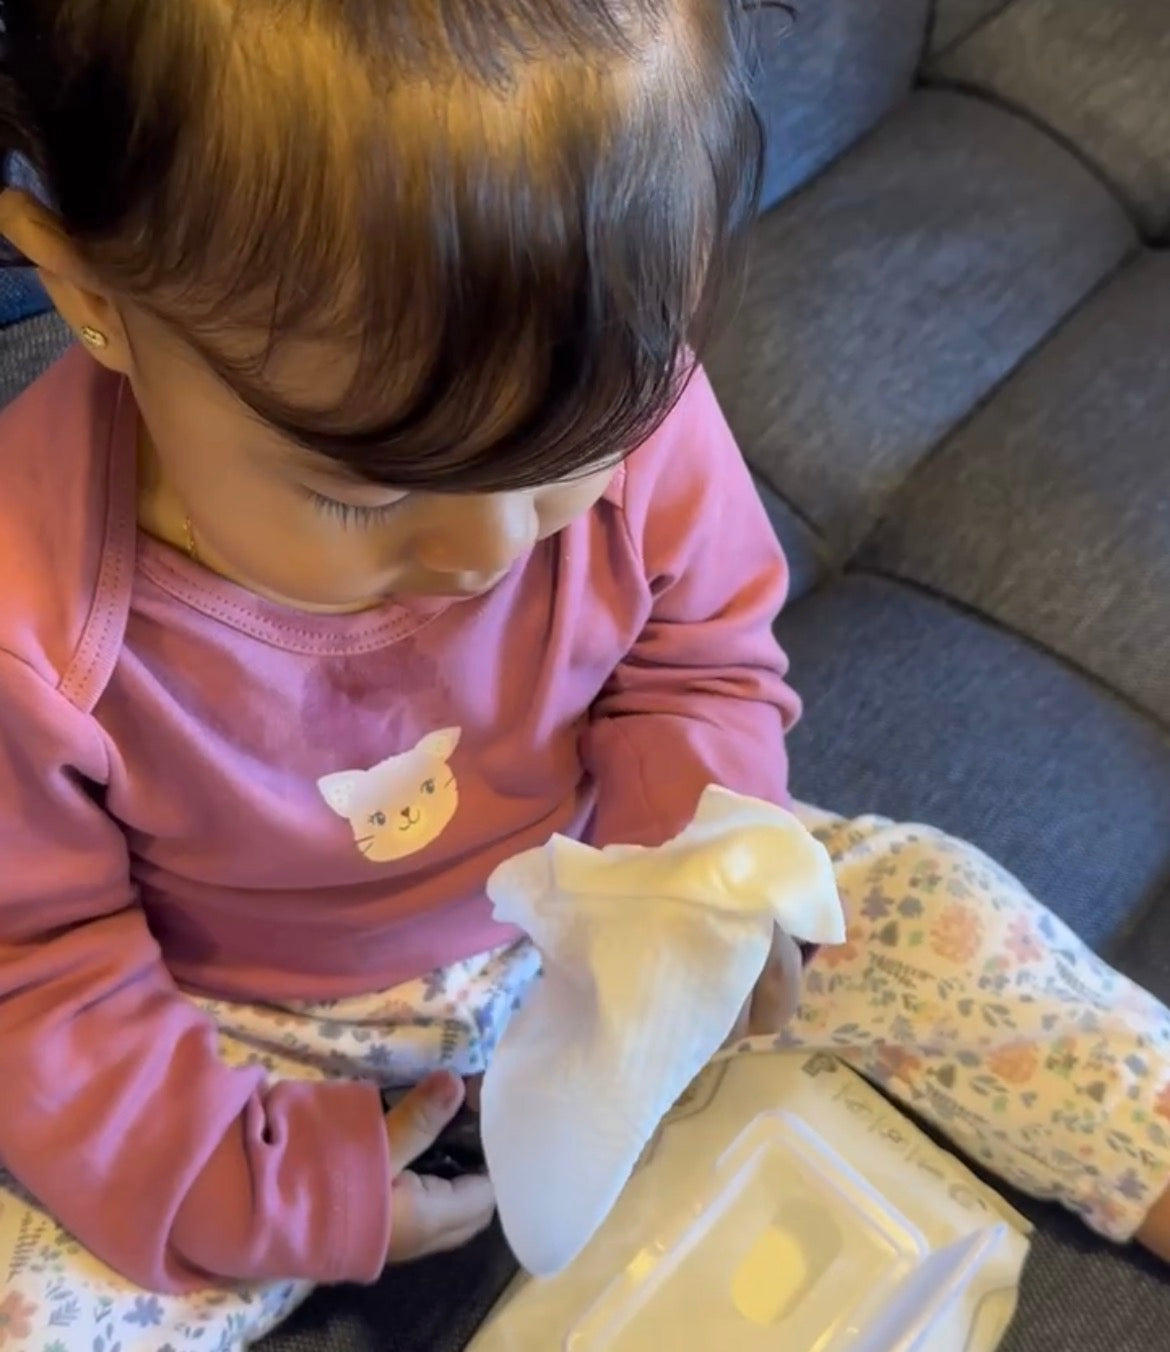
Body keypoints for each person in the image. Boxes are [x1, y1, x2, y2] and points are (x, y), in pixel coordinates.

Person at [0, 0, 1166, 1344]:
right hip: (248, 1025)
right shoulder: (37, 627)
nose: (492, 552)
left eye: (570, 461)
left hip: (597, 887)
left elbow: (698, 657)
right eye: (368, 494)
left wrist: (697, 877)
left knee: (940, 914)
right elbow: (42, 969)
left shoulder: (601, 381)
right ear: (94, 299)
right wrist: (263, 1186)